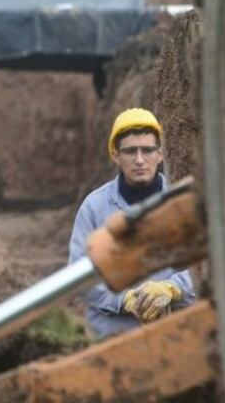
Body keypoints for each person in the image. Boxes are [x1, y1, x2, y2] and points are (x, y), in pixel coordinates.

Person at [68, 108, 195, 338]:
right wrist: (123, 298)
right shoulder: (94, 207)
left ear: (160, 154)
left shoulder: (182, 202)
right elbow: (80, 276)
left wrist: (174, 287)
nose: (139, 160)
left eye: (147, 150)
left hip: (176, 327)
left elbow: (208, 266)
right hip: (113, 332)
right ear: (116, 155)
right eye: (130, 151)